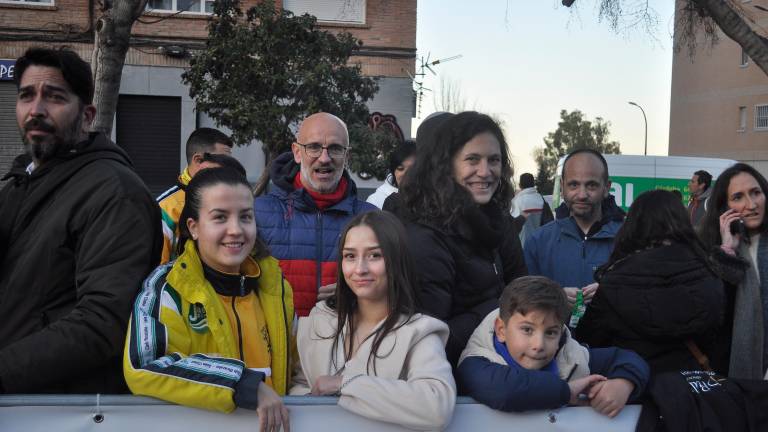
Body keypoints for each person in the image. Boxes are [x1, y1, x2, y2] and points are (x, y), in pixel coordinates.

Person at [0, 48, 161, 393]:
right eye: (26, 96)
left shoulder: (115, 192)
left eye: (54, 97)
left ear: (87, 116)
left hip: (63, 406)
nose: (36, 110)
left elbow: (102, 322)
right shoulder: (19, 184)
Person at [124, 167, 293, 432]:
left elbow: (295, 369)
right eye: (220, 217)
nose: (236, 230)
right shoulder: (167, 287)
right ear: (194, 227)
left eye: (245, 217)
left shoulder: (276, 287)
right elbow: (144, 364)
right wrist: (242, 383)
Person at [291, 211, 456, 430]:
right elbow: (300, 385)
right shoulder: (320, 319)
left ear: (396, 260)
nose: (360, 269)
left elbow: (436, 406)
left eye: (374, 255)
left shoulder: (419, 331)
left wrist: (345, 384)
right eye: (350, 256)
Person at [393, 111, 528, 367]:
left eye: (494, 160)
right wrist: (501, 307)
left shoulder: (492, 220)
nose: (485, 172)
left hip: (494, 361)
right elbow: (430, 341)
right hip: (450, 378)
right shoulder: (425, 237)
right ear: (447, 165)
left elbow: (521, 287)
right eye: (472, 160)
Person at [575, 189, 724, 374]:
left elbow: (589, 341)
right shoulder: (709, 272)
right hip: (692, 384)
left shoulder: (615, 282)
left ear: (633, 225)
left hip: (631, 382)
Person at [457, 276, 649, 416]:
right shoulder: (475, 362)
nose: (539, 345)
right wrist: (567, 392)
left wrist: (624, 384)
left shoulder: (572, 355)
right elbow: (505, 391)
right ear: (501, 330)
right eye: (527, 330)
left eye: (550, 333)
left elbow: (628, 359)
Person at [254, 112, 375, 317]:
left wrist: (355, 295)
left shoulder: (370, 219)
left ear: (347, 156)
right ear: (297, 152)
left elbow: (390, 288)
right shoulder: (257, 214)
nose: (324, 158)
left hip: (347, 335)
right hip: (278, 337)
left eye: (335, 148)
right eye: (314, 147)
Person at [524, 149, 624, 313]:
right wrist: (554, 298)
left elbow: (645, 299)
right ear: (562, 187)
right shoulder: (537, 242)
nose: (582, 194)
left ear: (606, 188)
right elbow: (522, 303)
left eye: (591, 185)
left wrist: (613, 293)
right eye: (574, 185)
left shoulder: (630, 240)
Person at [698, 163, 768, 379]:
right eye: (738, 197)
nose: (751, 204)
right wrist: (726, 253)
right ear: (724, 208)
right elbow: (713, 317)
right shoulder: (710, 250)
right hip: (734, 377)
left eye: (756, 193)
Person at [157, 127, 235, 264]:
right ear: (198, 160)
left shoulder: (233, 200)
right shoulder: (166, 208)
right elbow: (158, 269)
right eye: (223, 162)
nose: (230, 168)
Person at [366, 139, 416, 209]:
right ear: (393, 171)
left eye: (412, 169)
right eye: (400, 168)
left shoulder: (428, 199)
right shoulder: (375, 200)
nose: (406, 174)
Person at [512, 172, 554, 246]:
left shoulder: (516, 201)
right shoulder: (541, 200)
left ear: (520, 185)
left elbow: (511, 228)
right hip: (539, 245)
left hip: (522, 247)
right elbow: (550, 224)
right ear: (533, 184)